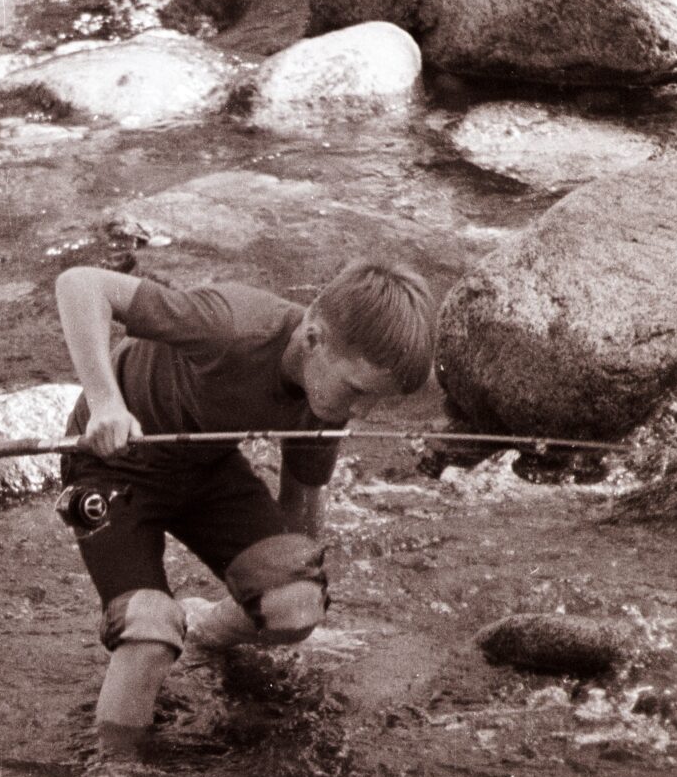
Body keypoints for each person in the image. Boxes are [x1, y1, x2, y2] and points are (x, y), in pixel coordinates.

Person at [54, 259, 436, 751]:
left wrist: (295, 591)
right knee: (148, 633)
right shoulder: (230, 325)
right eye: (357, 391)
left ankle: (205, 632)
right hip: (112, 469)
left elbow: (302, 504)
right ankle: (115, 774)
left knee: (297, 604)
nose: (361, 412)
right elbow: (81, 283)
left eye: (376, 402)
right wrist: (107, 402)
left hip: (206, 473)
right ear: (313, 339)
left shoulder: (326, 403)